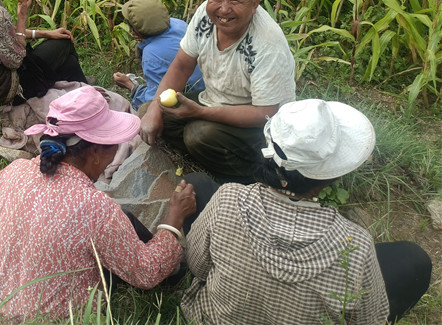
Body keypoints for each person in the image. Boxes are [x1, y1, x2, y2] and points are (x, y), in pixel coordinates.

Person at [182, 99, 432, 325]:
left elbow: (197, 266)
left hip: (214, 318)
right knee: (413, 259)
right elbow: (369, 319)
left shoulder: (228, 199)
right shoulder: (355, 247)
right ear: (331, 176)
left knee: (197, 184)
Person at [0, 86, 197, 323]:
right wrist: (174, 219)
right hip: (57, 320)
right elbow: (146, 272)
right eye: (114, 146)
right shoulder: (95, 208)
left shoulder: (12, 173)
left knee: (119, 223)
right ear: (94, 151)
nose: (115, 154)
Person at [141, 0, 296, 181]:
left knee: (198, 134)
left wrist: (199, 113)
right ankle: (211, 153)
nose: (224, 9)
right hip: (213, 101)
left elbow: (265, 113)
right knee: (149, 112)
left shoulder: (268, 43)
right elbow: (182, 66)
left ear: (254, 5)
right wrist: (154, 108)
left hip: (260, 124)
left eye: (235, 1)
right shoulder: (204, 15)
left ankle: (252, 175)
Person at [112, 0, 204, 112]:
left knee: (144, 110)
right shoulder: (178, 24)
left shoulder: (151, 55)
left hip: (194, 98)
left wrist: (131, 86)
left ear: (135, 32)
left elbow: (157, 100)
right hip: (207, 84)